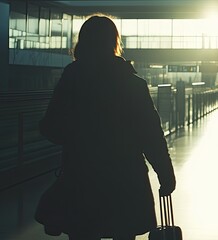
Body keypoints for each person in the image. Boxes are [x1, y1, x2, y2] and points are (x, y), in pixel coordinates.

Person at [36, 15, 176, 240]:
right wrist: (165, 173)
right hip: (125, 178)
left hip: (81, 176)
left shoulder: (72, 79)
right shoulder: (133, 84)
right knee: (124, 231)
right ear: (114, 42)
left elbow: (51, 126)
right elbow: (150, 135)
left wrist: (78, 136)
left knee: (83, 232)